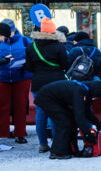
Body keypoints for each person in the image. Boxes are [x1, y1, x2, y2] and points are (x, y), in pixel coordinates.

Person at [25, 18, 69, 153]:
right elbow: (65, 66)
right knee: (55, 113)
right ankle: (56, 142)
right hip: (57, 84)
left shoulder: (31, 47)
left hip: (38, 84)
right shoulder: (59, 46)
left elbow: (29, 68)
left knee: (41, 114)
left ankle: (43, 144)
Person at [33, 78, 101, 160]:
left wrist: (96, 122)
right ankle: (57, 152)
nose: (95, 99)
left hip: (53, 99)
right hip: (46, 98)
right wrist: (87, 134)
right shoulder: (79, 91)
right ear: (94, 91)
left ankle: (69, 149)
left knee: (71, 122)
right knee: (64, 123)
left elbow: (85, 110)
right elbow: (79, 115)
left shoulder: (85, 90)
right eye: (96, 96)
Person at [0, 19, 31, 144]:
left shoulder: (25, 40)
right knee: (0, 106)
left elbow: (32, 56)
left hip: (22, 77)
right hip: (2, 77)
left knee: (21, 105)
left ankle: (20, 133)